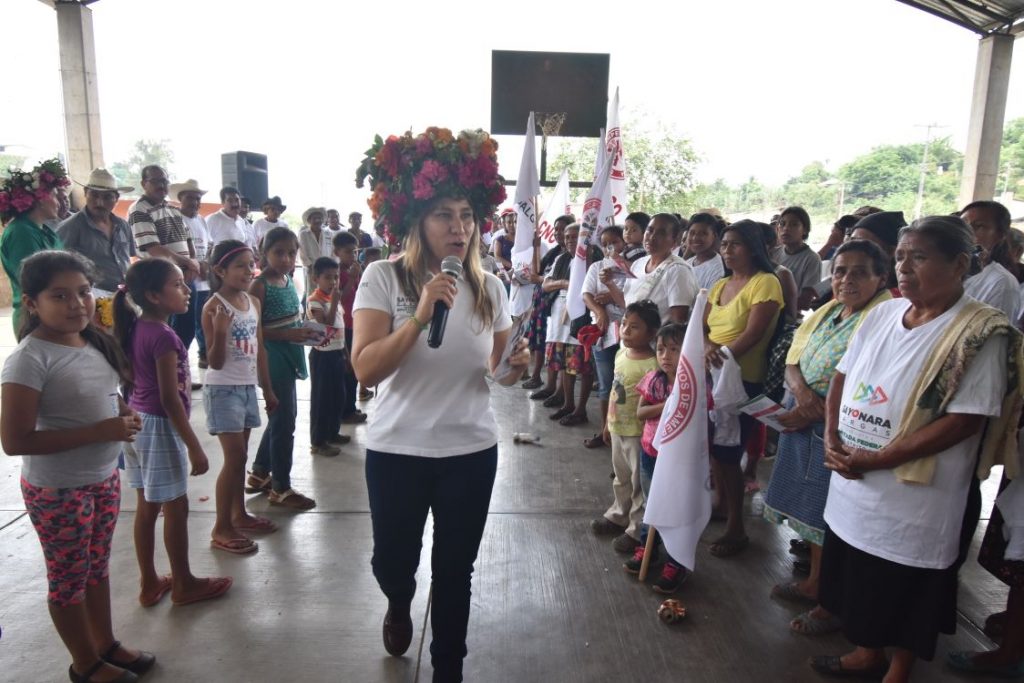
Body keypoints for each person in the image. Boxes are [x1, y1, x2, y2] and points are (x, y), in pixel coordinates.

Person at [352, 126, 528, 682]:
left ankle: (448, 667)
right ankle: (398, 599)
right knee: (393, 561)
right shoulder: (383, 278)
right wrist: (419, 317)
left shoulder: (491, 287)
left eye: (467, 216)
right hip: (396, 451)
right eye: (444, 215)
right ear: (416, 222)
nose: (459, 228)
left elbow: (498, 370)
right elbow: (365, 369)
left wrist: (515, 368)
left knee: (456, 570)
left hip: (470, 451)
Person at [813, 215, 1021, 682]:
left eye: (920, 257)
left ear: (959, 264)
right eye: (901, 256)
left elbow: (965, 420)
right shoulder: (883, 312)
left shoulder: (978, 332)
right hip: (852, 478)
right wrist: (832, 438)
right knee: (860, 573)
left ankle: (898, 669)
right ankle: (866, 653)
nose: (904, 268)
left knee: (904, 582)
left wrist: (879, 459)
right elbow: (843, 377)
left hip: (915, 496)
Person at [0, 251, 155, 683]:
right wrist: (100, 431)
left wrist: (122, 412)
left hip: (102, 477)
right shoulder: (30, 359)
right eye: (60, 296)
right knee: (68, 578)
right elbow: (14, 440)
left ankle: (105, 643)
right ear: (32, 303)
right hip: (59, 490)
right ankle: (84, 663)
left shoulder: (92, 340)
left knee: (96, 568)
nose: (77, 304)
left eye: (84, 292)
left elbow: (104, 393)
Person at [761, 240, 891, 636]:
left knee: (836, 516)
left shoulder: (883, 317)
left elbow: (868, 380)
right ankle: (818, 582)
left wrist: (813, 409)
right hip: (805, 417)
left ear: (881, 278)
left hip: (842, 428)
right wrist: (801, 394)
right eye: (839, 271)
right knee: (813, 510)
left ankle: (833, 598)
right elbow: (794, 358)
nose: (846, 279)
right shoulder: (829, 310)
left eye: (859, 272)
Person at [112, 258, 237, 600]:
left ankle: (149, 581)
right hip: (159, 426)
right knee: (176, 507)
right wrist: (194, 446)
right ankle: (184, 583)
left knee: (147, 505)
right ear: (153, 295)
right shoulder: (164, 336)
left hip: (138, 420)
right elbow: (169, 399)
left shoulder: (138, 327)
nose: (187, 291)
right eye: (178, 285)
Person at [704, 220, 784, 557]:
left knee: (729, 452)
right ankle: (721, 505)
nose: (727, 250)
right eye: (724, 244)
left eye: (735, 244)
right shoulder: (720, 284)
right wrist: (707, 347)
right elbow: (703, 326)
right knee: (716, 452)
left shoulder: (765, 283)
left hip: (743, 380)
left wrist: (719, 355)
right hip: (712, 376)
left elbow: (753, 335)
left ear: (753, 248)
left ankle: (737, 527)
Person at [202, 240, 280, 550]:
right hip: (222, 390)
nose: (249, 271)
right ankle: (221, 527)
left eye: (251, 264)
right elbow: (214, 361)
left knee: (242, 457)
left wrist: (267, 389)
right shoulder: (214, 307)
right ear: (220, 270)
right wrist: (221, 329)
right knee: (234, 458)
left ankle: (239, 514)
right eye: (240, 266)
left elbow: (260, 349)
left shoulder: (253, 302)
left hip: (247, 387)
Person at [249, 227, 320, 509]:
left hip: (290, 353)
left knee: (280, 417)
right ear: (264, 253)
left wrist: (306, 331)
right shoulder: (259, 286)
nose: (286, 259)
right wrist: (288, 334)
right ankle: (280, 487)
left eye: (291, 253)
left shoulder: (288, 279)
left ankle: (259, 472)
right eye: (278, 253)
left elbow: (291, 318)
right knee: (284, 421)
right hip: (272, 358)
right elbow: (253, 331)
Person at [590, 300, 661, 554]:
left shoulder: (653, 366)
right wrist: (607, 425)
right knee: (621, 477)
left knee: (638, 483)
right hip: (618, 427)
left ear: (651, 333)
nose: (626, 331)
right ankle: (618, 515)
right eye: (624, 325)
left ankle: (636, 529)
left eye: (635, 327)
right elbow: (614, 391)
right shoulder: (621, 353)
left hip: (639, 434)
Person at [625, 322, 689, 593]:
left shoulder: (694, 385)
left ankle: (676, 561)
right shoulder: (654, 379)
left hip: (680, 459)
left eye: (674, 349)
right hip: (651, 452)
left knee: (676, 508)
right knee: (652, 503)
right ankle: (648, 547)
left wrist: (680, 400)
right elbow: (641, 413)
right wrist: (668, 404)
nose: (666, 356)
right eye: (661, 349)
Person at [127, 165, 201, 350]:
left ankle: (179, 362)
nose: (162, 185)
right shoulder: (139, 209)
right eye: (156, 181)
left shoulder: (173, 209)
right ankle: (167, 363)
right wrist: (187, 263)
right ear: (144, 183)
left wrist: (192, 263)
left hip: (185, 277)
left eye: (165, 181)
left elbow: (188, 240)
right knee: (165, 330)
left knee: (187, 327)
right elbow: (154, 249)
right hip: (161, 280)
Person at [0, 158, 71, 331]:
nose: (59, 202)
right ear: (40, 199)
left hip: (52, 311)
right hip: (35, 317)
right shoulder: (21, 233)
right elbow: (33, 280)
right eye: (54, 195)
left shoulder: (44, 230)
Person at [602, 213, 698, 325]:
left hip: (657, 336)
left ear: (674, 240)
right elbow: (628, 304)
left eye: (661, 233)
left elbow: (678, 321)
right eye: (650, 230)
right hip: (631, 335)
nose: (652, 237)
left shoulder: (678, 270)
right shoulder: (638, 264)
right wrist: (610, 283)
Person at [583, 225, 628, 449]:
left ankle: (624, 433)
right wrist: (599, 311)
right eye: (605, 244)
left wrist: (610, 296)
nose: (610, 248)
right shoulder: (597, 267)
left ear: (624, 242)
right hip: (603, 331)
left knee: (624, 384)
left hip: (628, 332)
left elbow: (631, 297)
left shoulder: (632, 267)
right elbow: (587, 294)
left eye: (614, 242)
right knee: (605, 383)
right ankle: (605, 431)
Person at [58, 168, 135, 292]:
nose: (100, 203)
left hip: (125, 292)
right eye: (94, 195)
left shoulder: (123, 225)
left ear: (116, 198)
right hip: (92, 296)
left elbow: (127, 259)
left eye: (107, 197)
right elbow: (59, 268)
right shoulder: (70, 227)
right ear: (85, 193)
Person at [523, 215, 571, 394]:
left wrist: (541, 280)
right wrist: (536, 248)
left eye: (562, 229)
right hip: (541, 301)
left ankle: (556, 389)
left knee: (556, 344)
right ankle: (539, 377)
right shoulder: (553, 252)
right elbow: (536, 273)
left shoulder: (570, 256)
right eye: (556, 229)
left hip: (557, 304)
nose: (558, 233)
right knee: (540, 340)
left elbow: (556, 281)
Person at [306, 256, 348, 456]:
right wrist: (335, 302)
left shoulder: (332, 299)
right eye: (328, 277)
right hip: (322, 356)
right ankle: (318, 441)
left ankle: (332, 432)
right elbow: (325, 327)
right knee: (322, 399)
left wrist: (346, 354)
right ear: (316, 278)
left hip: (337, 352)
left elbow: (341, 328)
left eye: (336, 277)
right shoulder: (314, 300)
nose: (333, 282)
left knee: (337, 396)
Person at [170, 179, 213, 370]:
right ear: (180, 199)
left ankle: (201, 355)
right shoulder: (175, 219)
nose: (195, 202)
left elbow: (209, 245)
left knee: (204, 320)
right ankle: (177, 363)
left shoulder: (201, 220)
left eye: (197, 198)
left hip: (204, 280)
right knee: (184, 324)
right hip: (185, 280)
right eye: (190, 198)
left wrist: (207, 264)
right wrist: (193, 266)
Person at [961, 200, 1020, 319]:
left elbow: (995, 328)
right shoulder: (942, 271)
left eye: (979, 226)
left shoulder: (1002, 283)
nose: (967, 231)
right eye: (963, 224)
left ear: (999, 236)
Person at [332, 231, 370, 415]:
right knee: (347, 369)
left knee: (354, 368)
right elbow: (339, 299)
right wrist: (353, 278)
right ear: (336, 252)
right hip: (344, 325)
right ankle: (346, 410)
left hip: (356, 323)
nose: (353, 256)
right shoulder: (336, 273)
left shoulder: (353, 270)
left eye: (355, 252)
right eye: (348, 252)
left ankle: (350, 407)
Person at [772, 206, 821, 311]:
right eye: (782, 224)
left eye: (794, 224)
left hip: (790, 314)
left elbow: (805, 302)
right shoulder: (773, 253)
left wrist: (769, 306)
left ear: (805, 230)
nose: (786, 228)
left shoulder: (812, 259)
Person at [298, 206, 335, 295]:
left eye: (320, 218)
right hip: (311, 269)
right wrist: (311, 267)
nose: (317, 220)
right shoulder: (303, 234)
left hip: (327, 269)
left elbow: (333, 252)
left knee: (327, 292)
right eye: (314, 218)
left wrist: (331, 267)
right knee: (312, 293)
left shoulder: (329, 233)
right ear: (309, 220)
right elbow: (302, 252)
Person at [685, 212, 726, 290]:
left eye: (703, 234)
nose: (695, 238)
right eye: (692, 233)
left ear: (714, 236)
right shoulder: (688, 263)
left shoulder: (718, 268)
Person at [206, 186, 253, 250]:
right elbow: (205, 244)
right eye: (230, 200)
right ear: (223, 202)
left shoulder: (241, 221)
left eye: (237, 200)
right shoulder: (213, 219)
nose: (235, 204)